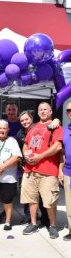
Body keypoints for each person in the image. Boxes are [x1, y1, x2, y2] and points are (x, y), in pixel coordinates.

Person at [21, 102, 63, 239]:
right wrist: (26, 156)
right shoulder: (33, 128)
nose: (43, 111)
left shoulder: (56, 127)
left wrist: (40, 156)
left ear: (51, 111)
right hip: (30, 170)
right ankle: (33, 223)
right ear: (37, 113)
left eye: (46, 109)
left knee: (50, 201)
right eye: (40, 110)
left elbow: (57, 147)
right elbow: (26, 144)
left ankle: (52, 225)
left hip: (48, 171)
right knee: (31, 200)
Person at [59, 102, 71, 241]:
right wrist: (60, 169)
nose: (70, 112)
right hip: (68, 172)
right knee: (69, 203)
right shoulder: (64, 130)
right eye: (68, 110)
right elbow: (61, 151)